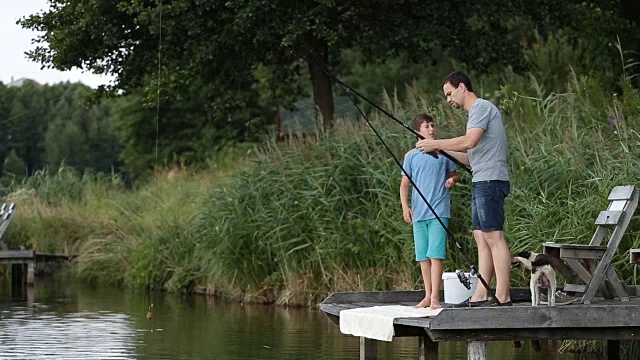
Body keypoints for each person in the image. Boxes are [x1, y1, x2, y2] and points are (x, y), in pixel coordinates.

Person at [415, 71, 512, 307]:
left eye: (449, 93)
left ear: (461, 87)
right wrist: (442, 151)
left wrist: (436, 143)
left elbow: (470, 141)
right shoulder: (474, 115)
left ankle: (503, 296)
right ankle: (480, 293)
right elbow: (470, 157)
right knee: (480, 236)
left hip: (491, 180)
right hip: (481, 178)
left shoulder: (481, 108)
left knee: (493, 236)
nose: (448, 99)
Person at [400, 113, 459, 310]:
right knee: (423, 257)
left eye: (432, 125)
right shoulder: (411, 156)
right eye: (426, 126)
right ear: (417, 132)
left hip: (439, 212)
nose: (431, 129)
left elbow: (454, 174)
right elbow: (404, 185)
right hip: (419, 214)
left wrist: (452, 180)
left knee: (436, 255)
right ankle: (426, 295)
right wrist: (405, 207)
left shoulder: (443, 153)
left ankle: (435, 297)